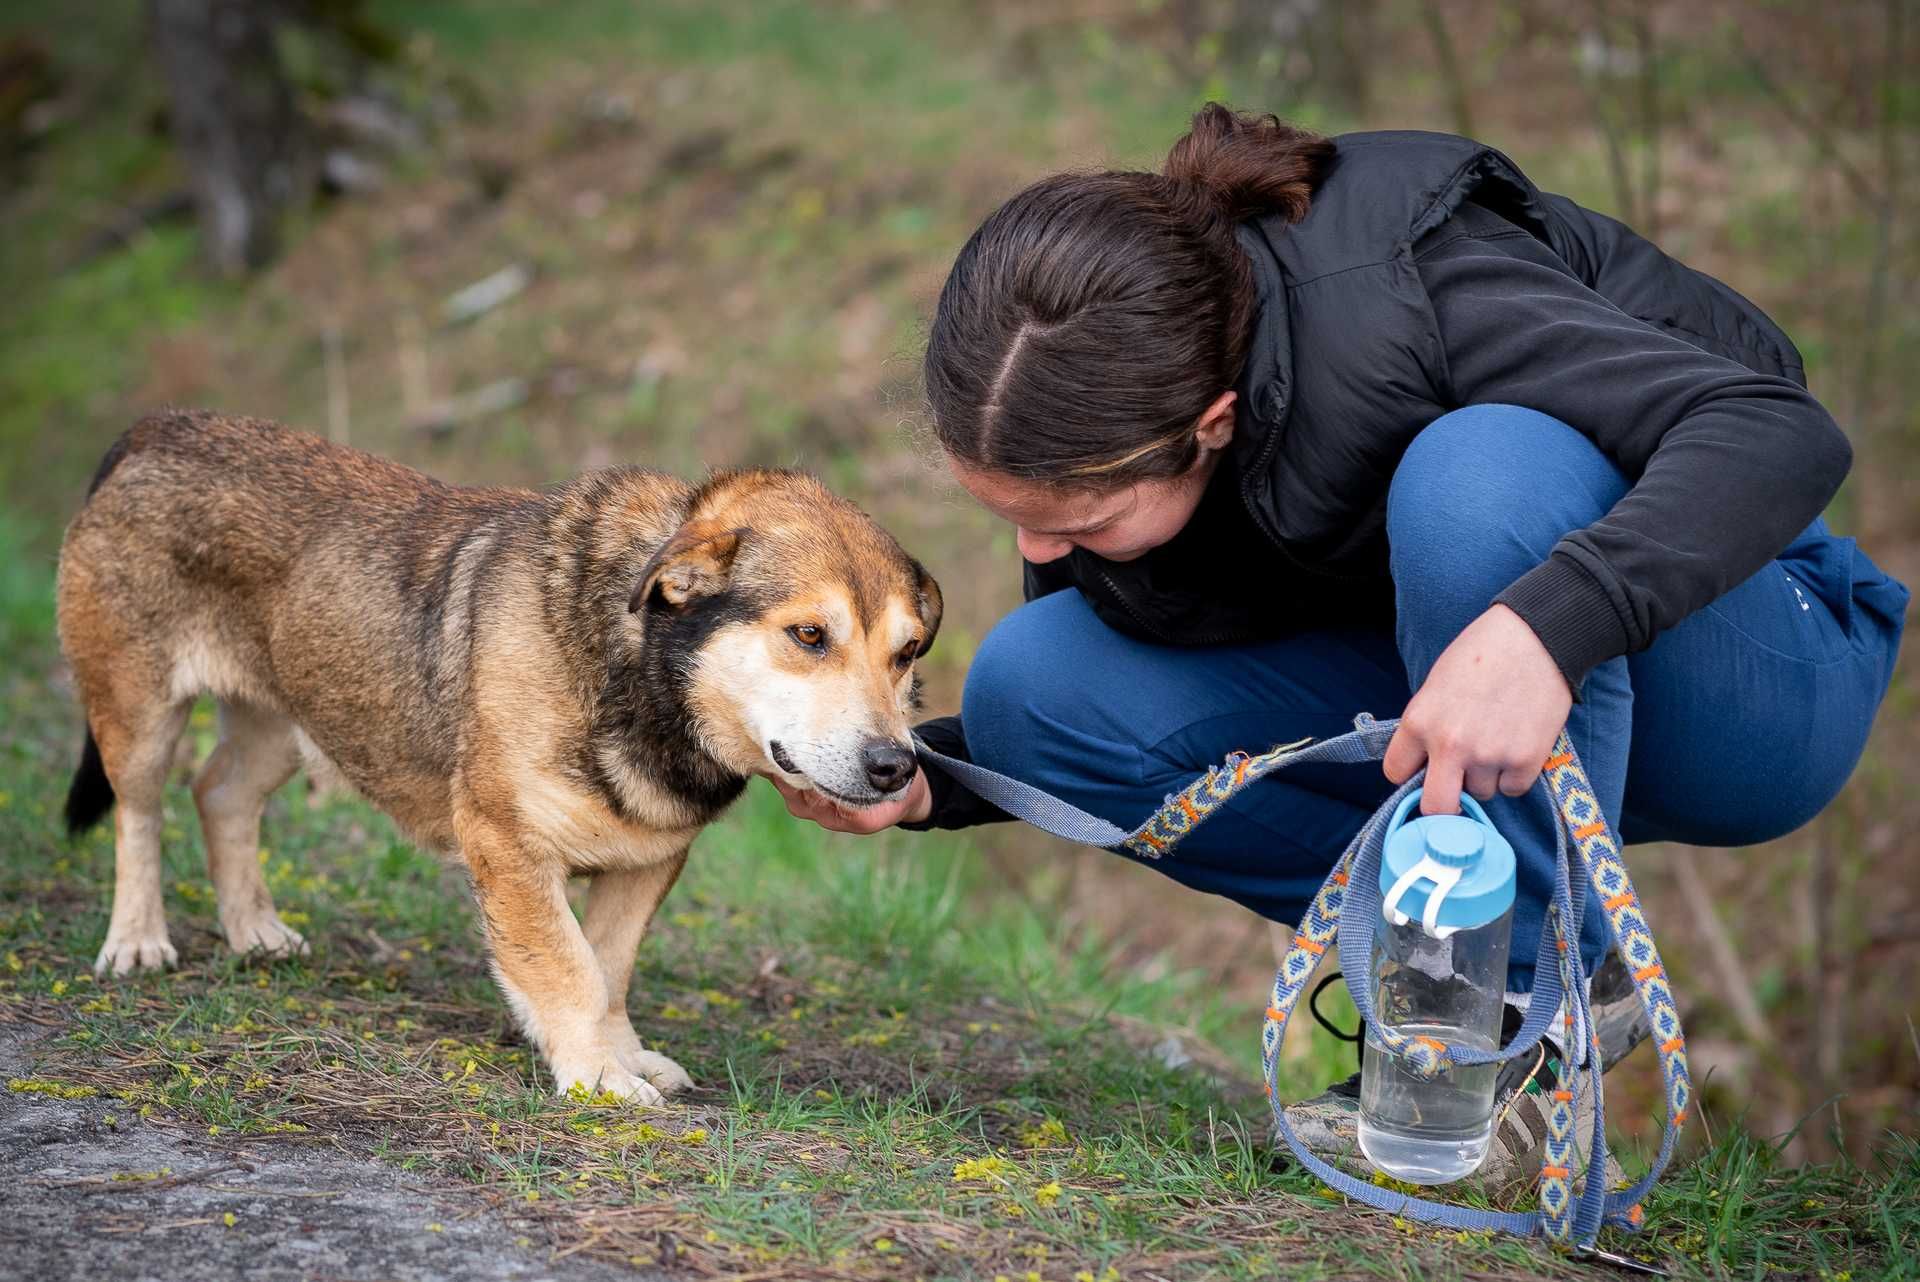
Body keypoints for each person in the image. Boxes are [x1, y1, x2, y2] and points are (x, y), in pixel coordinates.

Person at [770, 105, 1908, 1184]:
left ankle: (1509, 1039)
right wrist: (940, 783)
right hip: (1452, 688)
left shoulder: (1414, 289)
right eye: (1013, 517)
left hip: (1750, 673)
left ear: (1208, 426)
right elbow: (1152, 671)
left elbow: (1778, 430)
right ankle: (1480, 986)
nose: (1045, 552)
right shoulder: (1131, 386)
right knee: (1033, 681)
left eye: (1081, 521)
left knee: (1480, 475)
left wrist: (1544, 626)